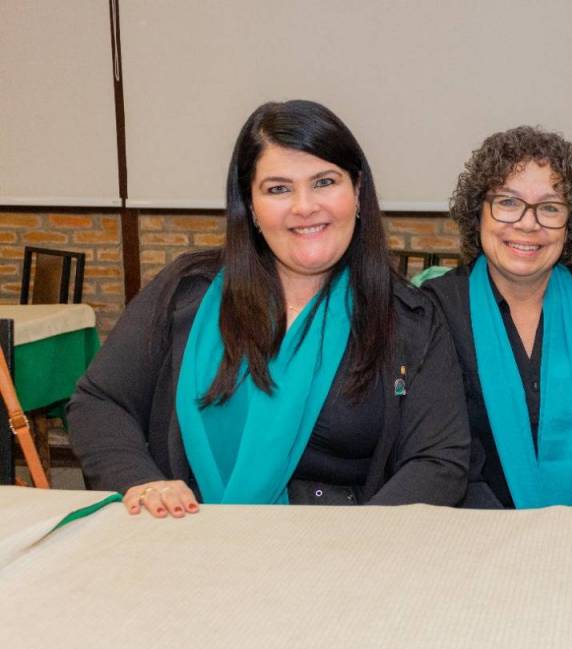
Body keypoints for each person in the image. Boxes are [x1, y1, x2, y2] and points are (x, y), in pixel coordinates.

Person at [69, 100, 470, 517]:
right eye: (278, 189)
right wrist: (141, 480)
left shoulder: (408, 317)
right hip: (191, 534)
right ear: (251, 207)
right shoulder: (186, 292)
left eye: (324, 182)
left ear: (358, 191)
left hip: (344, 544)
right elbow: (99, 402)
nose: (304, 206)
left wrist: (358, 538)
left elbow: (439, 459)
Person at [422, 126, 572, 509]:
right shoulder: (436, 309)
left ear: (570, 222)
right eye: (508, 202)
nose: (529, 223)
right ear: (478, 212)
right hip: (475, 528)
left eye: (550, 207)